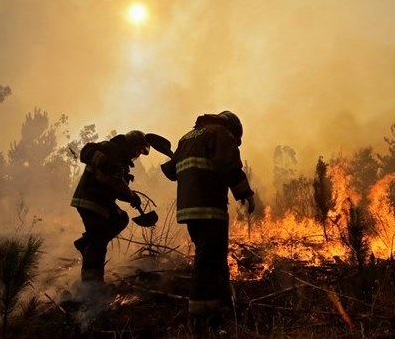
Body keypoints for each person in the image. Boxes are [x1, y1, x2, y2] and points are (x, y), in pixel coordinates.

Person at [160, 111, 256, 332]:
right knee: (207, 261)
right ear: (233, 129)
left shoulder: (187, 137)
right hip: (210, 207)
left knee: (212, 256)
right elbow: (229, 165)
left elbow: (171, 172)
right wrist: (245, 192)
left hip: (189, 210)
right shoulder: (220, 133)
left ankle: (223, 304)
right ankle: (200, 317)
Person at [70, 130, 150, 287]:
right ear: (130, 144)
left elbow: (117, 185)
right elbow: (86, 152)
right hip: (90, 199)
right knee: (98, 240)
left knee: (120, 218)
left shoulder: (121, 161)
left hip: (103, 202)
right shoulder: (109, 148)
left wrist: (131, 195)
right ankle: (91, 285)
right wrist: (106, 164)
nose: (137, 155)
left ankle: (85, 242)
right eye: (137, 150)